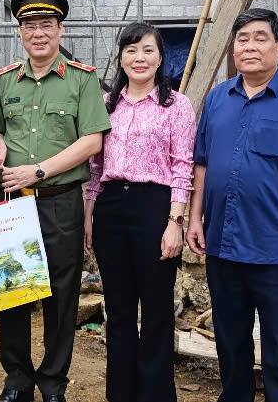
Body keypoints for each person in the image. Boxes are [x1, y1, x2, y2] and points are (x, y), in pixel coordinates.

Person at [187, 8, 278, 402]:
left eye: (260, 38)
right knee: (230, 342)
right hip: (223, 244)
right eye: (242, 39)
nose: (250, 46)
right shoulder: (218, 99)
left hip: (277, 248)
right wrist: (195, 218)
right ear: (233, 48)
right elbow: (202, 164)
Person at [0, 0, 111, 402]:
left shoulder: (82, 80)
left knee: (62, 293)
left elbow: (92, 141)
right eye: (30, 25)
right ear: (20, 32)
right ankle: (17, 379)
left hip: (60, 202)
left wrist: (38, 171)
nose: (38, 33)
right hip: (12, 202)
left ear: (60, 30)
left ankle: (53, 382)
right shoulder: (5, 81)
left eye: (46, 24)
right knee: (11, 292)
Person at [83, 22, 195, 402]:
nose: (139, 58)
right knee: (118, 311)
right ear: (121, 58)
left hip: (155, 206)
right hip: (111, 207)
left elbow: (182, 166)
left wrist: (175, 221)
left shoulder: (176, 105)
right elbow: (95, 168)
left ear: (161, 57)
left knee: (157, 309)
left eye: (148, 50)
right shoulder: (106, 105)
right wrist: (89, 214)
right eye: (131, 50)